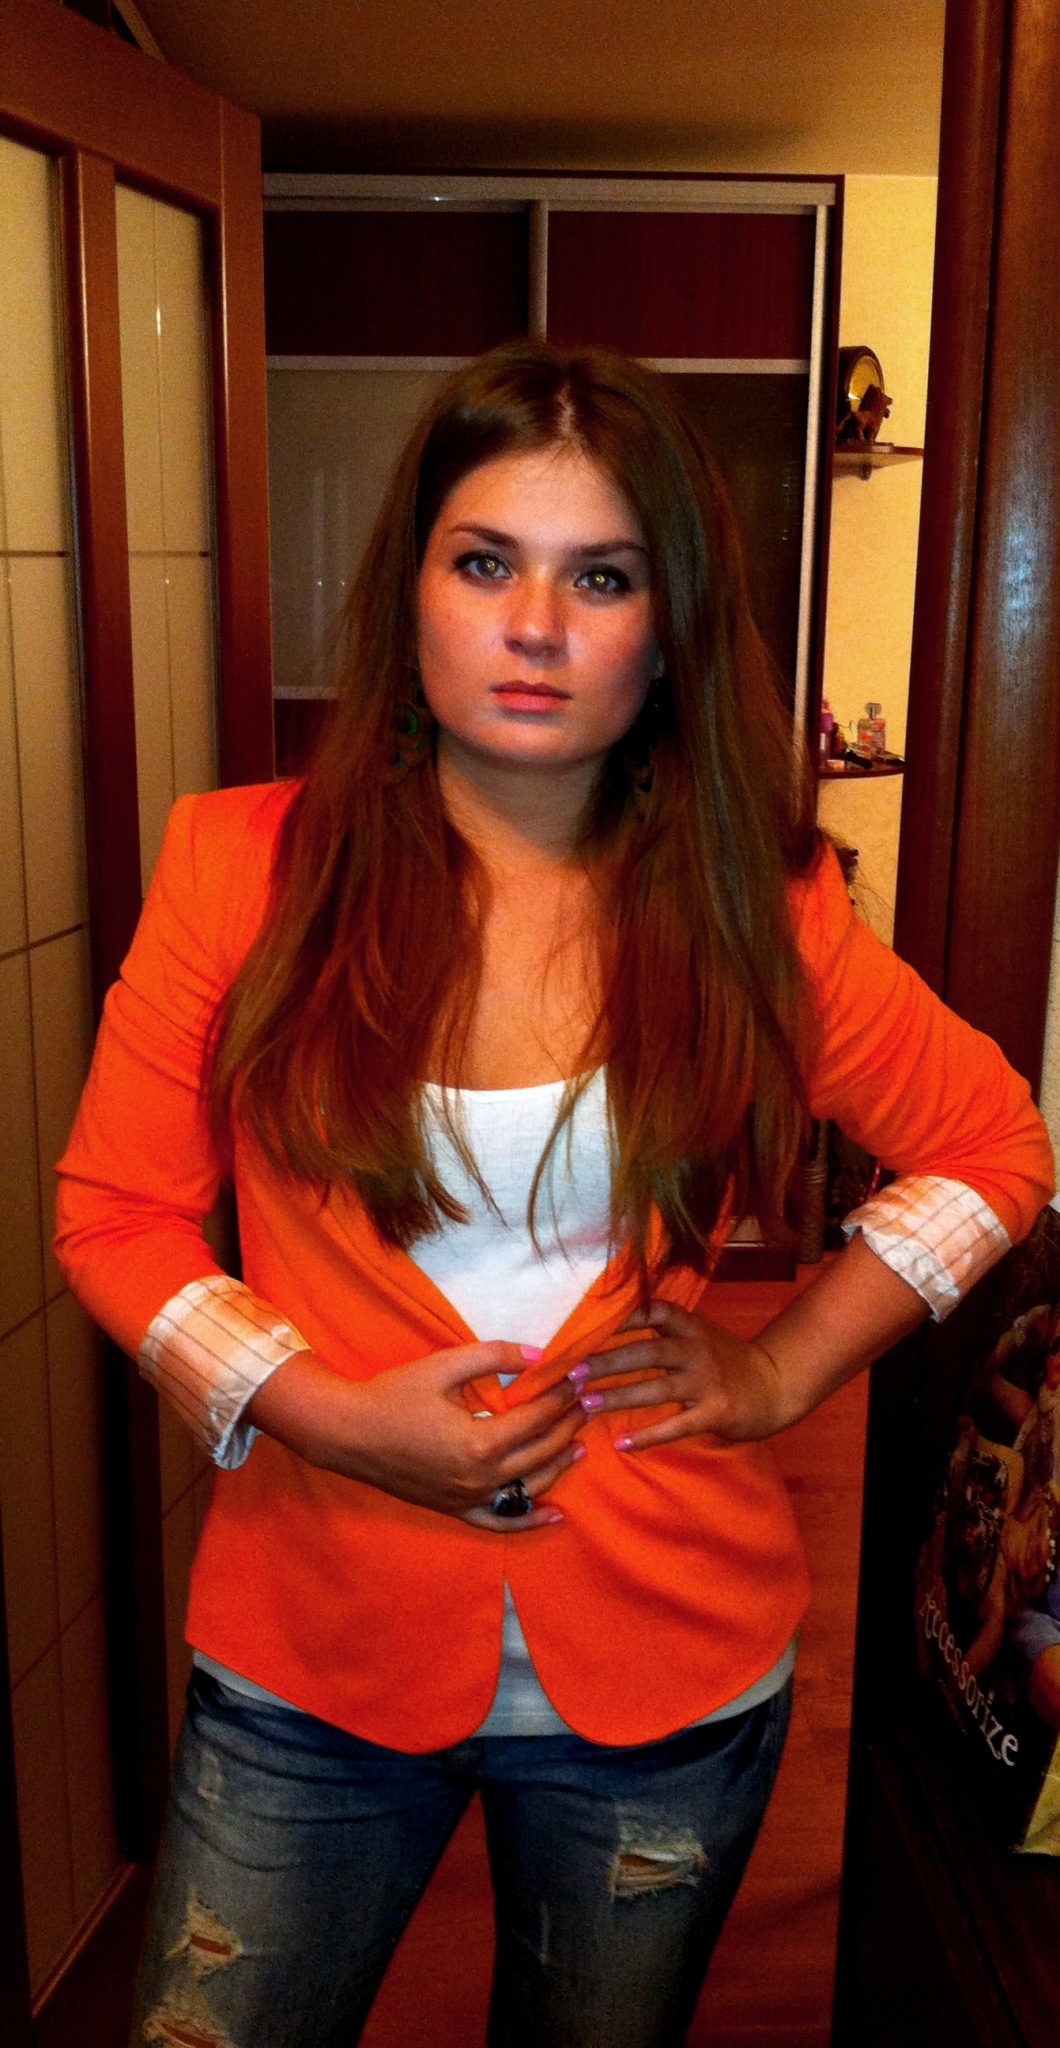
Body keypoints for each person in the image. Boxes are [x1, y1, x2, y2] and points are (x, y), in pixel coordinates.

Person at [55, 342, 1053, 2048]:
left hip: (670, 1660)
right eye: (484, 563)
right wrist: (330, 1417)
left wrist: (781, 1368)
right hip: (311, 1649)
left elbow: (994, 1145)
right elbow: (114, 1216)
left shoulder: (763, 904)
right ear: (412, 594)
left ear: (667, 630)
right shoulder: (240, 867)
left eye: (600, 578)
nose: (534, 626)